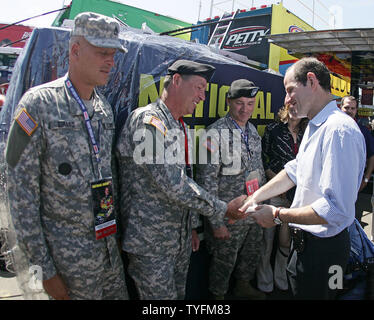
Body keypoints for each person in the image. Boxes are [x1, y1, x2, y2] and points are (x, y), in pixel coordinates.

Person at [5, 12, 128, 300]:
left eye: (113, 54)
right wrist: (44, 272)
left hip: (107, 252)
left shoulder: (103, 109)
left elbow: (108, 178)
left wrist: (116, 237)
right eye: (101, 53)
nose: (110, 61)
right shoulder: (38, 105)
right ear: (75, 50)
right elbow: (20, 196)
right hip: (68, 261)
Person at [115, 60, 248, 300]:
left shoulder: (180, 127)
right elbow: (172, 183)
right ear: (176, 81)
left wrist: (193, 227)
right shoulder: (148, 122)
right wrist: (222, 208)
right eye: (199, 88)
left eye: (204, 91)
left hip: (180, 240)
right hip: (151, 244)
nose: (203, 97)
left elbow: (187, 177)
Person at [240, 57, 366, 300]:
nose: (286, 100)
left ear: (311, 80)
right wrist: (254, 197)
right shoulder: (315, 126)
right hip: (305, 247)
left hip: (325, 253)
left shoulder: (339, 131)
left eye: (289, 90)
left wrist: (277, 216)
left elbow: (335, 209)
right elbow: (294, 171)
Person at [194, 79, 266, 300]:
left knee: (250, 256)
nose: (245, 109)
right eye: (239, 103)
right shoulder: (214, 134)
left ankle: (242, 286)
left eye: (250, 103)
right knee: (222, 264)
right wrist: (216, 222)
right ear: (228, 102)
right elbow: (206, 181)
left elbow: (258, 169)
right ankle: (218, 297)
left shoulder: (252, 130)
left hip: (253, 212)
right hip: (229, 215)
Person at [256, 103, 308, 294]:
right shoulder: (273, 130)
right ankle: (264, 279)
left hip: (297, 195)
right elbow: (263, 159)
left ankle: (280, 275)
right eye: (291, 106)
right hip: (275, 192)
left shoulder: (308, 132)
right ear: (285, 108)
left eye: (298, 106)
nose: (295, 110)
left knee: (286, 241)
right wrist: (275, 184)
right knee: (267, 240)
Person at [340, 95, 374, 224]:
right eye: (346, 107)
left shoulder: (363, 131)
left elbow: (372, 155)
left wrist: (366, 179)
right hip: (334, 183)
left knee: (352, 220)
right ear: (340, 107)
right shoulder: (331, 127)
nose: (349, 111)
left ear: (356, 110)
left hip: (354, 185)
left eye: (352, 108)